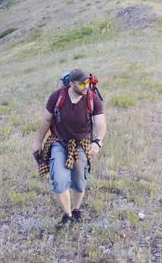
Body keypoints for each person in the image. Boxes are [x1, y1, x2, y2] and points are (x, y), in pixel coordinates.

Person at [31, 68, 107, 228]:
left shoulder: (92, 98)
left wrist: (98, 141)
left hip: (82, 143)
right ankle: (67, 215)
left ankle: (76, 209)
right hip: (59, 142)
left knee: (79, 180)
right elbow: (45, 121)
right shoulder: (57, 97)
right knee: (59, 179)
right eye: (82, 83)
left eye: (88, 82)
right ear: (71, 84)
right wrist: (38, 141)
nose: (86, 86)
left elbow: (101, 123)